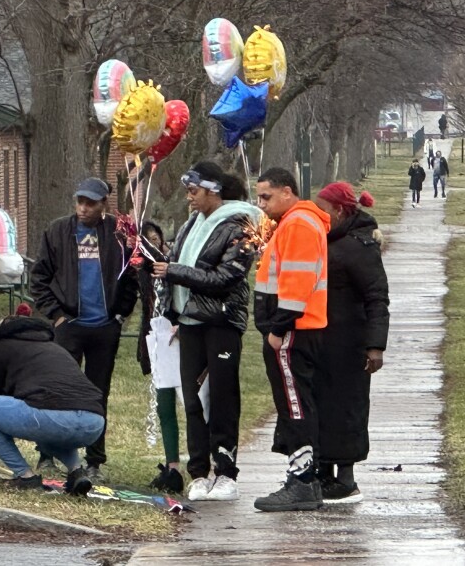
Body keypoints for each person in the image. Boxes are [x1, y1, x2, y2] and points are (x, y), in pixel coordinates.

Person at [151, 162, 261, 502]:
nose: (189, 198)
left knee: (222, 396)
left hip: (221, 322)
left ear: (213, 191)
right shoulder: (190, 225)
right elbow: (178, 269)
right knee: (193, 397)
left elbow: (226, 278)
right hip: (189, 323)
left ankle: (226, 471)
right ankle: (198, 472)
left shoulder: (241, 228)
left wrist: (174, 271)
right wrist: (170, 306)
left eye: (194, 191)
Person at [30, 177, 139, 481]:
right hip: (69, 327)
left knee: (97, 394)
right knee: (57, 390)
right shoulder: (58, 232)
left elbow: (130, 277)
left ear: (104, 204)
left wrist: (120, 315)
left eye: (90, 203)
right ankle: (48, 455)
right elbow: (38, 278)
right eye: (80, 201)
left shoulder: (117, 234)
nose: (83, 208)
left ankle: (94, 461)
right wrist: (57, 316)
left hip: (105, 328)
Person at [252, 167, 330, 512]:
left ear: (288, 191)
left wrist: (278, 328)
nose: (261, 204)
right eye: (258, 197)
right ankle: (304, 477)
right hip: (300, 328)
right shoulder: (295, 223)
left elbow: (297, 283)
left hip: (294, 331)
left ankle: (302, 480)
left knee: (295, 405)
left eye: (266, 196)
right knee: (298, 403)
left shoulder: (298, 224)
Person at [0, 306, 106, 496]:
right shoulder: (54, 347)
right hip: (95, 423)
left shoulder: (2, 345)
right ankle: (77, 472)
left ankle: (25, 477)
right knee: (49, 428)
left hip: (51, 418)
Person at [313, 182, 390, 504]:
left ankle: (345, 479)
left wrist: (375, 346)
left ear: (340, 211)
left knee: (346, 408)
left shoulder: (358, 247)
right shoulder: (330, 241)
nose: (318, 215)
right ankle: (322, 473)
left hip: (349, 343)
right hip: (322, 340)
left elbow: (376, 298)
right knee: (322, 407)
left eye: (323, 210)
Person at [135, 221, 184, 494]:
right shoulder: (141, 271)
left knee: (194, 402)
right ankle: (172, 466)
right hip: (157, 338)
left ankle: (207, 465)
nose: (152, 248)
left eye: (156, 241)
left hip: (182, 334)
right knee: (163, 403)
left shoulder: (175, 265)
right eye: (145, 243)